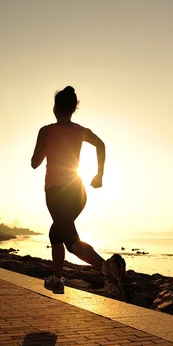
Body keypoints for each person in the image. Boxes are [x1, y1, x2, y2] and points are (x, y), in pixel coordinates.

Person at [31, 86, 126, 297]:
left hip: (56, 193)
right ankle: (72, 277)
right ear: (74, 109)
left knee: (62, 236)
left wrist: (47, 147)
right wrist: (99, 175)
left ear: (55, 108)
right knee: (64, 236)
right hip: (78, 193)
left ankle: (95, 271)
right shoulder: (80, 130)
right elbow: (100, 144)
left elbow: (34, 163)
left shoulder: (46, 131)